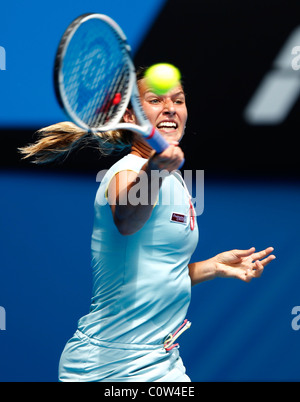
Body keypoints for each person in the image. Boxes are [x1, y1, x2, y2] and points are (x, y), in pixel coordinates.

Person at [19, 66, 276, 382]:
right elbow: (127, 218)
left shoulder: (175, 180)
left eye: (178, 101)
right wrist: (154, 170)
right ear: (129, 117)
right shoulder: (126, 172)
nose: (170, 108)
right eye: (156, 100)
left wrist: (214, 267)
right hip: (109, 366)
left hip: (160, 361)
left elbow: (156, 273)